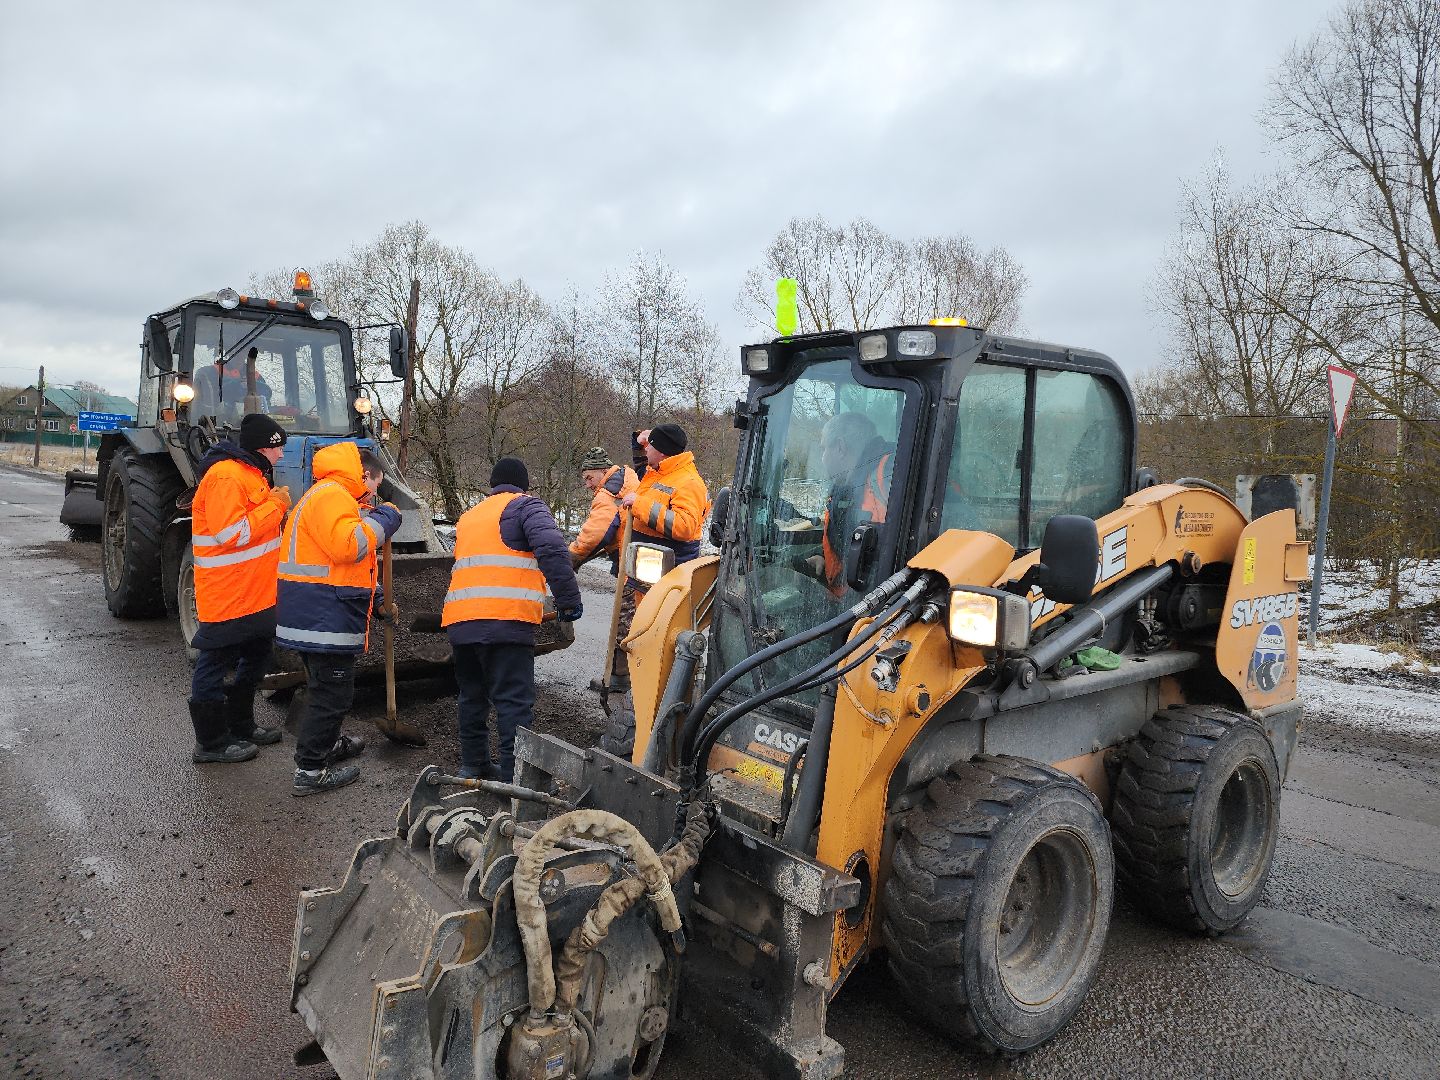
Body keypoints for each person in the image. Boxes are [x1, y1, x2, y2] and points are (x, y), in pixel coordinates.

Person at [442, 457, 583, 781]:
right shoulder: (525, 507)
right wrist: (568, 601)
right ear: (524, 486)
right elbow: (552, 550)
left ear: (493, 485)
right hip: (506, 622)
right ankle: (513, 777)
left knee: (472, 696)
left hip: (461, 621)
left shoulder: (470, 517)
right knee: (513, 702)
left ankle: (473, 765)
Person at [276, 444, 402, 796]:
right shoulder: (333, 496)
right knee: (332, 694)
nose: (374, 492)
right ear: (363, 475)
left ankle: (324, 745)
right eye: (375, 483)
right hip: (322, 617)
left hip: (318, 613)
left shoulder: (331, 497)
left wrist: (376, 598)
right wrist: (386, 518)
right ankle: (310, 770)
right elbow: (349, 546)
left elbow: (347, 566)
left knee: (325, 688)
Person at [186, 413, 292, 764]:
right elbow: (232, 534)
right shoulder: (225, 477)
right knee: (215, 662)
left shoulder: (249, 474)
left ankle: (241, 724)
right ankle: (212, 742)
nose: (280, 457)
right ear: (265, 447)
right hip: (227, 594)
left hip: (254, 594)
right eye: (278, 450)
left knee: (258, 655)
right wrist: (276, 506)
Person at [611, 423, 710, 685]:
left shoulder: (688, 482)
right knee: (638, 634)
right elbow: (644, 465)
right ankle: (634, 683)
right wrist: (641, 441)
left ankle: (648, 690)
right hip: (643, 574)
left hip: (664, 582)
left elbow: (685, 526)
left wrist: (639, 504)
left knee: (653, 637)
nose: (646, 451)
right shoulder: (660, 473)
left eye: (651, 447)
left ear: (663, 452)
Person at [812, 412, 894, 594]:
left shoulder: (890, 473)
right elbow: (847, 541)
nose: (822, 457)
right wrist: (824, 560)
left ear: (840, 448)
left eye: (824, 448)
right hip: (847, 604)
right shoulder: (845, 488)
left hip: (876, 609)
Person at [569, 446, 639, 572]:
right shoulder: (628, 480)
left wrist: (571, 556)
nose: (588, 485)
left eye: (590, 478)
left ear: (604, 471)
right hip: (640, 554)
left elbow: (595, 535)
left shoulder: (607, 494)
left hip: (627, 561)